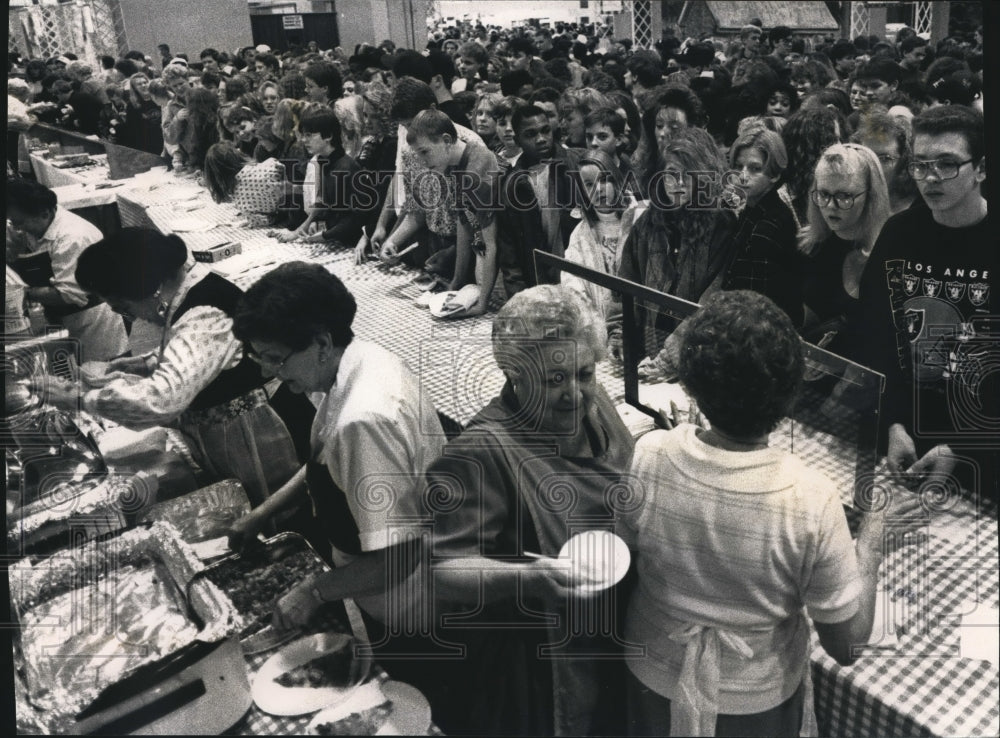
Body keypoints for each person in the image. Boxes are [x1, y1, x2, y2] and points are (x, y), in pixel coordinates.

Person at [620, 289, 921, 738]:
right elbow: (847, 644)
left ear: (692, 385)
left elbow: (622, 556)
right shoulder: (810, 497)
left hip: (648, 678)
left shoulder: (648, 453)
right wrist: (874, 537)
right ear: (788, 399)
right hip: (754, 706)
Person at [420, 284, 636, 736]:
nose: (574, 395)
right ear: (514, 376)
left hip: (619, 632)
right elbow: (442, 572)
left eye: (583, 373)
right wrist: (532, 578)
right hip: (545, 665)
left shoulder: (600, 410)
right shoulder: (481, 452)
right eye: (552, 381)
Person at [226, 262, 446, 636]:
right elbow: (329, 461)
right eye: (259, 357)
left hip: (402, 598)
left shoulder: (363, 421)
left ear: (322, 343)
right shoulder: (355, 358)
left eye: (275, 358)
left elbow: (398, 558)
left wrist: (313, 592)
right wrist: (263, 513)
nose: (266, 372)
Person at [30, 228, 301, 507]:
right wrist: (143, 364)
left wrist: (79, 399)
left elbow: (161, 399)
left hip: (254, 433)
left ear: (147, 288)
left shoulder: (204, 315)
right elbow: (202, 356)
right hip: (227, 431)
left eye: (123, 306)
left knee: (270, 509)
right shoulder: (187, 293)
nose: (124, 314)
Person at [857, 106, 997, 502]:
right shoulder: (899, 234)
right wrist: (892, 422)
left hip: (983, 456)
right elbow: (875, 336)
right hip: (903, 440)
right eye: (920, 165)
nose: (931, 177)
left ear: (982, 169)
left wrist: (963, 448)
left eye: (947, 164)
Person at [617, 127, 737, 357]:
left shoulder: (721, 224)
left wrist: (676, 349)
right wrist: (619, 333)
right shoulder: (648, 221)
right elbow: (625, 285)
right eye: (671, 173)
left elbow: (713, 300)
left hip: (697, 352)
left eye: (688, 174)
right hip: (649, 349)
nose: (678, 182)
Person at [6, 179, 127, 363]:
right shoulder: (38, 225)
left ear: (44, 213)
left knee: (105, 375)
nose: (17, 228)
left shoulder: (72, 237)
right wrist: (15, 250)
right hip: (63, 319)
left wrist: (19, 292)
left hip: (93, 322)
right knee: (72, 377)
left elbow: (67, 295)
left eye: (19, 223)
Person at [800, 143, 892, 360]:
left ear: (870, 197)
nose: (831, 206)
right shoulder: (812, 244)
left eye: (844, 196)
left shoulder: (887, 252)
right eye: (823, 194)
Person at [406, 109, 500, 317]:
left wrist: (482, 304)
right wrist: (456, 281)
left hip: (505, 262)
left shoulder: (476, 168)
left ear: (447, 140)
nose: (422, 162)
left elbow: (493, 243)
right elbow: (464, 222)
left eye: (425, 152)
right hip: (484, 257)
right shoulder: (453, 165)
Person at [720, 127, 802, 326]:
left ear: (774, 174)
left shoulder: (768, 225)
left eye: (755, 169)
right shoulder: (754, 208)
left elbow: (753, 304)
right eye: (738, 167)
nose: (743, 176)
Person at [562, 149, 634, 325]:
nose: (598, 189)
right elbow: (572, 284)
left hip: (639, 317)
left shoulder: (638, 220)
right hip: (601, 323)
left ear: (616, 179)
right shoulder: (580, 235)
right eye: (588, 184)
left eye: (604, 180)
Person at [276, 107, 361, 246]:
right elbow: (320, 207)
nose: (303, 140)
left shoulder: (345, 168)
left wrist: (324, 235)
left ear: (328, 136)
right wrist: (302, 229)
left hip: (349, 244)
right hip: (332, 239)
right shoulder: (323, 162)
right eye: (303, 135)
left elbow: (354, 219)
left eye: (309, 135)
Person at [850, 110, 918, 214]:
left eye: (884, 159)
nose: (873, 166)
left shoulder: (915, 208)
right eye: (866, 156)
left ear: (902, 162)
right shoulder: (848, 203)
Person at [203, 141, 286, 226]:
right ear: (236, 155)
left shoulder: (240, 203)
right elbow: (284, 168)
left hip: (286, 212)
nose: (239, 149)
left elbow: (261, 221)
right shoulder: (268, 165)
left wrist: (275, 215)